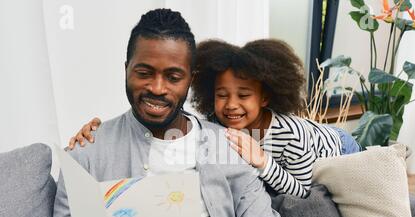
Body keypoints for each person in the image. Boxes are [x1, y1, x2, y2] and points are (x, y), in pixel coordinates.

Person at [53, 8, 284, 217]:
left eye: (173, 77)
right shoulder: (87, 152)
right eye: (144, 73)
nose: (157, 88)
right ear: (126, 68)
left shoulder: (228, 145)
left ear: (190, 79)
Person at [72, 39, 361, 198]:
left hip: (336, 149)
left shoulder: (291, 137)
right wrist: (98, 130)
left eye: (243, 95)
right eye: (222, 94)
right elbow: (174, 118)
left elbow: (304, 193)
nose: (231, 105)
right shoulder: (218, 125)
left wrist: (263, 161)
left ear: (264, 97)